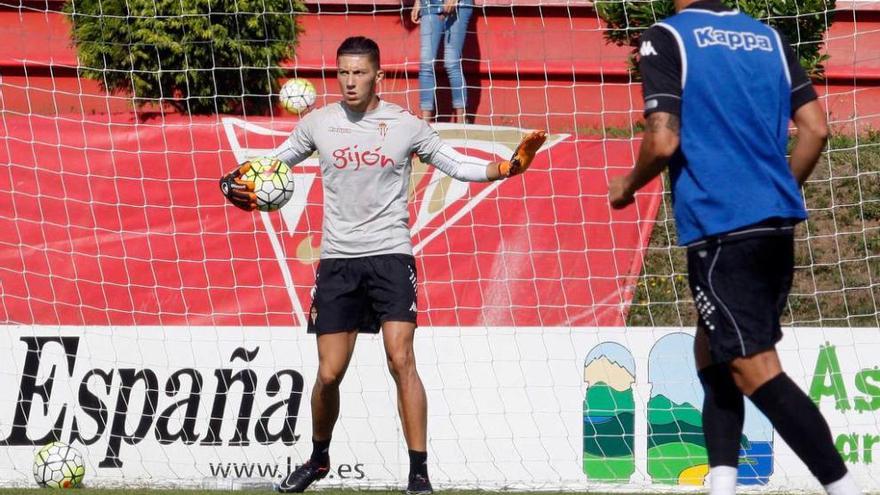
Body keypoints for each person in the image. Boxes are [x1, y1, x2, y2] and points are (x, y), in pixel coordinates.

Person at [220, 36, 545, 494]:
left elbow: (456, 164)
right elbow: (273, 165)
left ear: (379, 76)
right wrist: (237, 181)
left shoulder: (405, 126)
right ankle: (318, 459)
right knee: (329, 373)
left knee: (401, 358)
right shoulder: (318, 124)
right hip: (338, 261)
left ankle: (418, 474)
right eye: (343, 73)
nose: (350, 82)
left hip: (391, 255)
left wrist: (506, 168)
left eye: (359, 73)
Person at [608, 1, 861, 495]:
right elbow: (815, 128)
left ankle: (844, 485)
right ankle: (721, 481)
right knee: (712, 348)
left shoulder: (668, 36)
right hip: (774, 224)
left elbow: (663, 140)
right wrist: (776, 192)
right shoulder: (765, 36)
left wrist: (627, 186)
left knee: (752, 366)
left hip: (724, 226)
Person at [410, 0, 474, 123]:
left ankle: (462, 121)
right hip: (429, 4)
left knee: (452, 62)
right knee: (426, 63)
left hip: (459, 5)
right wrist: (418, 2)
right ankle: (425, 122)